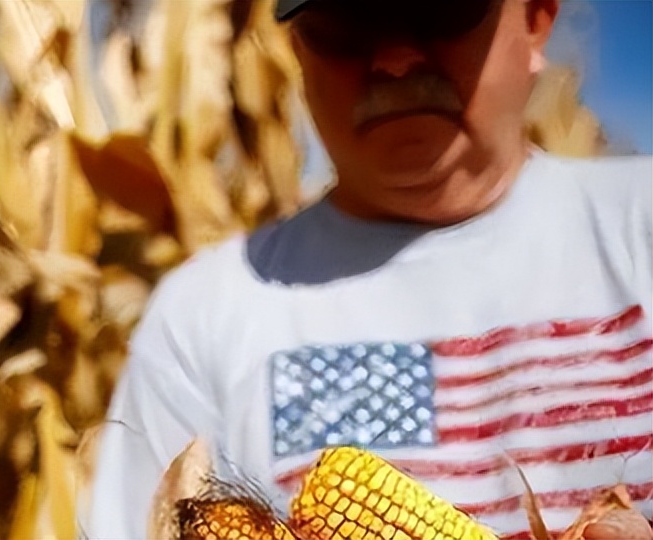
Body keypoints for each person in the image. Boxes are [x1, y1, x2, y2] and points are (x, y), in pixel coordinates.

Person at [82, 0, 653, 538]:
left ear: (535, 17)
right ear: (297, 52)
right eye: (344, 26)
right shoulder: (201, 314)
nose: (394, 59)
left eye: (434, 10)